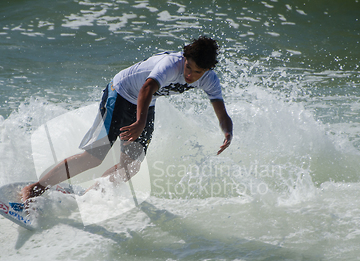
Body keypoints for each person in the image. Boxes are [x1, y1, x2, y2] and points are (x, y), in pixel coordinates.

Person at [21, 36, 233, 203]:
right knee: (95, 156)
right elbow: (147, 87)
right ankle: (35, 188)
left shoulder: (209, 80)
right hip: (120, 93)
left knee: (130, 167)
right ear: (185, 59)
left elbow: (222, 112)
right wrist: (140, 122)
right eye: (188, 68)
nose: (190, 75)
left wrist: (227, 131)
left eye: (197, 72)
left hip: (145, 104)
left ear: (207, 70)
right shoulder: (170, 64)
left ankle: (87, 197)